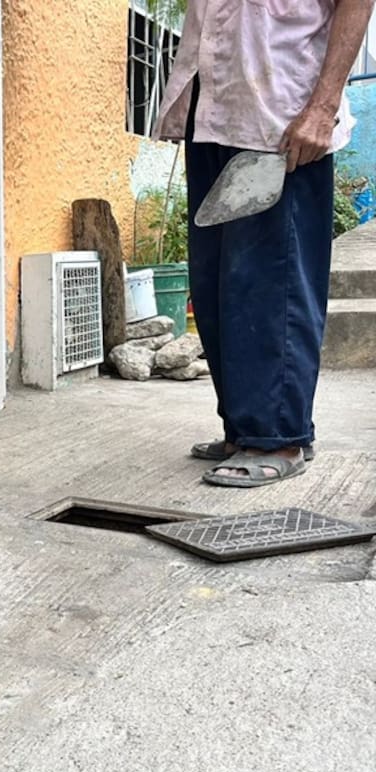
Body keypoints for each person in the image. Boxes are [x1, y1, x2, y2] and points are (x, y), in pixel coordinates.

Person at [153, 0, 376, 488]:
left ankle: (278, 436)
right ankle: (246, 426)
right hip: (213, 105)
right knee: (215, 284)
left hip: (281, 116)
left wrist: (323, 107)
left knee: (272, 280)